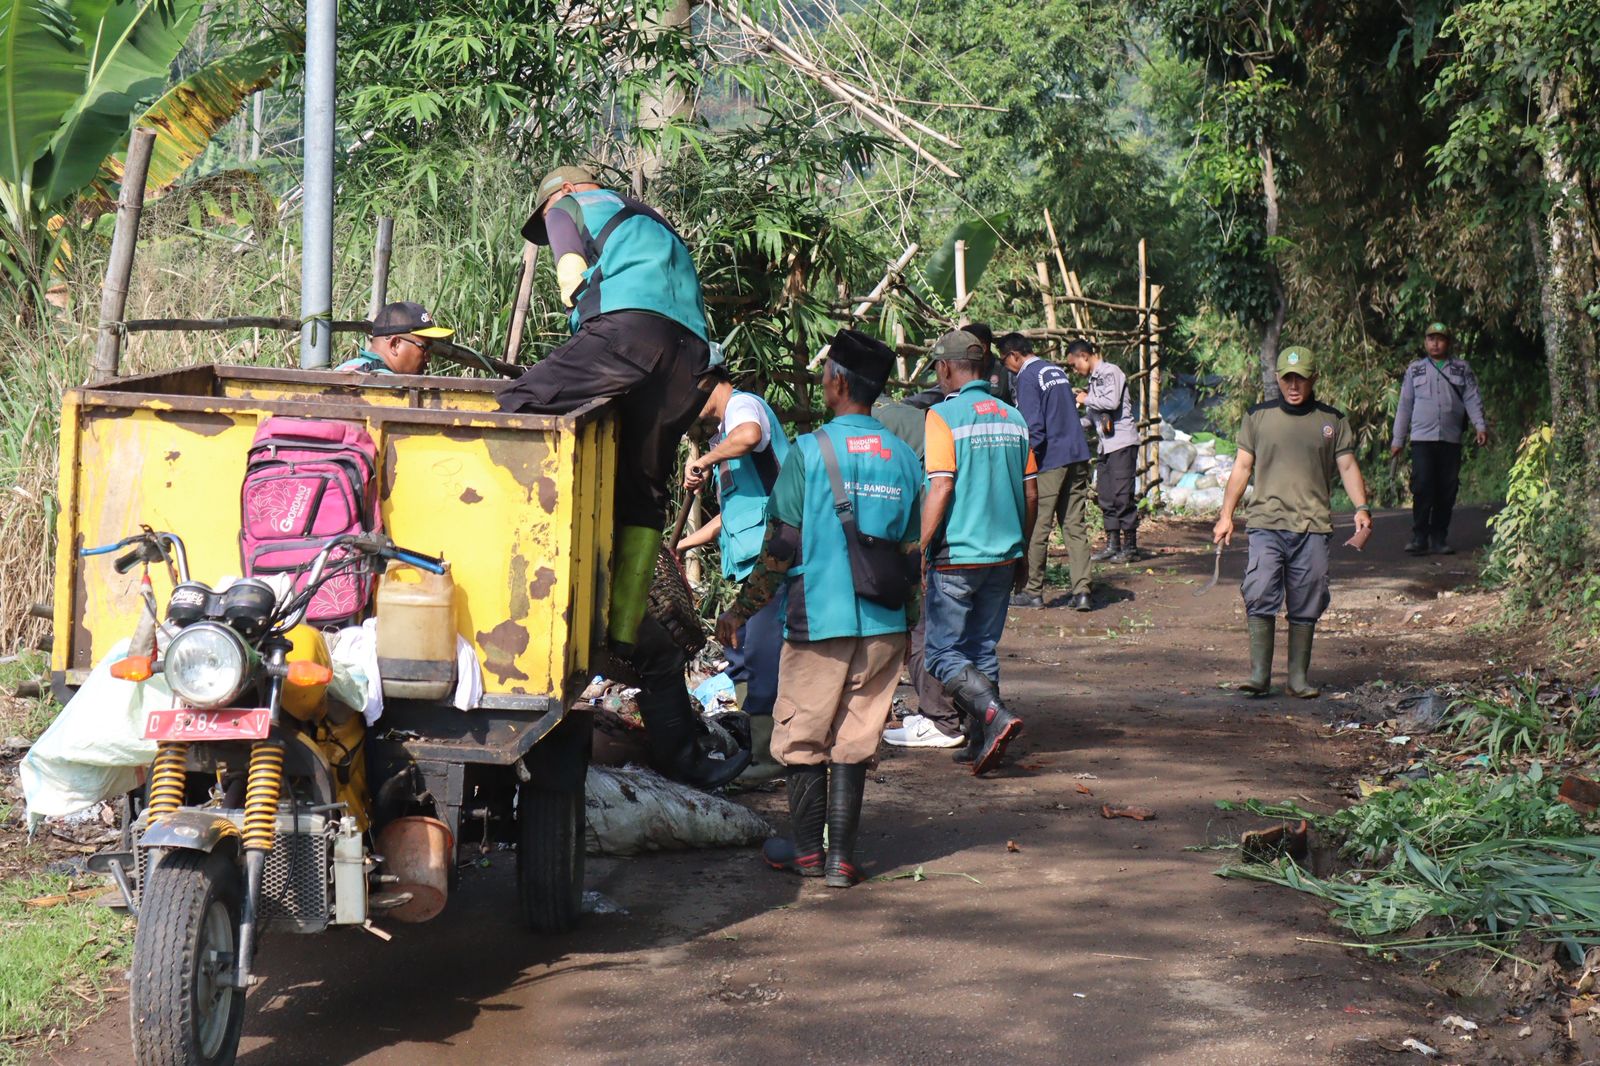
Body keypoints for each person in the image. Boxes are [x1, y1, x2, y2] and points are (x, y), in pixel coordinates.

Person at [499, 166, 746, 789]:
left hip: (628, 331)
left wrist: (579, 319)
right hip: (690, 358)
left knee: (513, 409)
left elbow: (570, 275)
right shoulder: (653, 222)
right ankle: (623, 624)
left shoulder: (569, 206)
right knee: (643, 489)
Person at [714, 330, 922, 887]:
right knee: (856, 736)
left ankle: (807, 851)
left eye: (827, 371)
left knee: (802, 735)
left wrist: (741, 607)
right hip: (884, 621)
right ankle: (841, 860)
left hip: (819, 619)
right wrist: (911, 620)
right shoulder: (904, 456)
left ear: (837, 383)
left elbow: (782, 545)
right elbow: (910, 550)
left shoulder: (808, 451)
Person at [1213, 346, 1372, 699]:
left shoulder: (1332, 420)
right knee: (1259, 590)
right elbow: (1241, 468)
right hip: (1266, 524)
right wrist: (1226, 516)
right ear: (1278, 379)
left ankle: (1297, 678)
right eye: (1287, 378)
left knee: (1308, 596)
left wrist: (1361, 507)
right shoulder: (1258, 417)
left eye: (1300, 378)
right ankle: (1259, 675)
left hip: (1313, 526)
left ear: (1314, 379)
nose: (1294, 385)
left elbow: (1347, 466)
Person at [922, 330, 1037, 775]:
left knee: (942, 653)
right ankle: (980, 740)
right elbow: (1030, 494)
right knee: (982, 648)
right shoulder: (1014, 418)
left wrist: (921, 545)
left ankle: (993, 715)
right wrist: (1022, 548)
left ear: (946, 368)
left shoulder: (942, 417)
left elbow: (941, 485)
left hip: (958, 554)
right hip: (1004, 553)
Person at [677, 366, 792, 783]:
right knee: (741, 647)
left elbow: (748, 437)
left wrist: (704, 461)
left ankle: (769, 755)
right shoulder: (724, 433)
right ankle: (753, 745)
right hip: (752, 565)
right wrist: (681, 546)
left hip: (775, 561)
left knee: (760, 653)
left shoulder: (743, 407)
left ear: (709, 382)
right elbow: (732, 515)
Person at [874, 389, 964, 750]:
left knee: (919, 626)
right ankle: (959, 712)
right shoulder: (900, 416)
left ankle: (939, 717)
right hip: (949, 506)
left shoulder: (873, 425)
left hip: (930, 502)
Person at [999, 333, 1094, 612]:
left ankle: (1032, 591)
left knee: (1038, 525)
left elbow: (1035, 429)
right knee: (1074, 526)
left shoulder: (1028, 376)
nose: (1006, 367)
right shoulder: (1055, 370)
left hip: (1051, 459)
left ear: (1015, 355)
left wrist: (1024, 464)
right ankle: (1083, 592)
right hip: (1077, 454)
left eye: (1005, 360)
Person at [1389, 322, 1488, 555]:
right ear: (1425, 342)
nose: (1435, 343)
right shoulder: (1415, 370)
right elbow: (1405, 405)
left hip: (1451, 439)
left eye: (1440, 339)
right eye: (1431, 338)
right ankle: (1419, 536)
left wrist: (1480, 426)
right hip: (1422, 438)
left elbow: (1472, 398)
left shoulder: (1461, 368)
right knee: (1423, 486)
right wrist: (1397, 439)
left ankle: (1439, 537)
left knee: (1447, 488)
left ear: (1448, 343)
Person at [1067, 340, 1142, 564]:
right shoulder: (1093, 381)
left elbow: (1110, 402)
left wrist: (1084, 398)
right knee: (1106, 496)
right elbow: (1093, 418)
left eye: (1074, 364)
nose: (1074, 370)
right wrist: (1071, 424)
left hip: (1121, 443)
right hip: (1105, 446)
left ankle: (1130, 547)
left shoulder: (1111, 372)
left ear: (1084, 356)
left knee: (1122, 495)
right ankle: (1113, 544)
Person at [335, 301, 453, 374]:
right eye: (424, 348)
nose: (428, 359)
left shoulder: (343, 369)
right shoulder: (391, 388)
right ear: (395, 345)